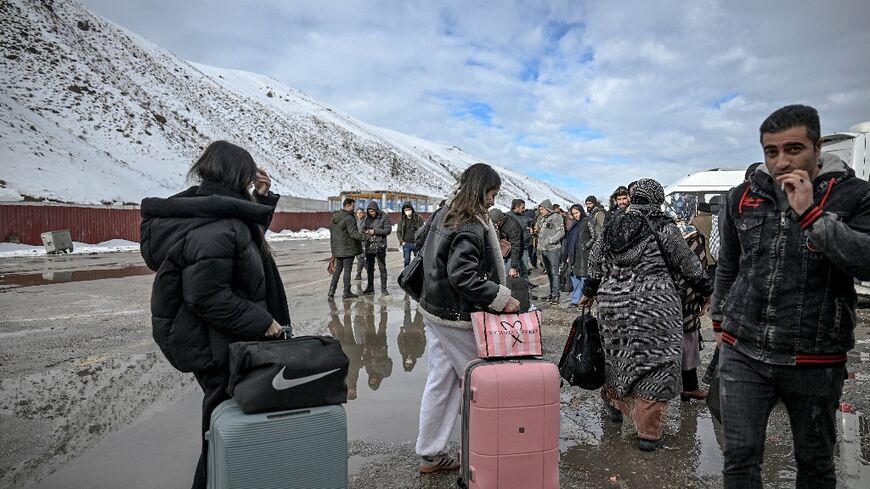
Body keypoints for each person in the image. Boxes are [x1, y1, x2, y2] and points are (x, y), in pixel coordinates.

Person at [711, 104, 870, 488]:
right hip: (743, 351)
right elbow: (729, 265)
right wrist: (719, 319)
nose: (782, 161)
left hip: (814, 357)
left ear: (816, 147)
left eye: (794, 148)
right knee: (739, 460)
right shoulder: (741, 198)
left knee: (814, 464)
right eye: (772, 151)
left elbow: (865, 263)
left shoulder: (852, 196)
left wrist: (812, 215)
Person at [140, 141, 289, 489]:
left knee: (224, 428)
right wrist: (262, 321)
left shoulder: (211, 212)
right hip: (219, 344)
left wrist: (262, 200)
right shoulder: (217, 224)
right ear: (237, 175)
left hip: (217, 340)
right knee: (223, 435)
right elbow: (205, 294)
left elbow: (239, 250)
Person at [580, 179, 712, 452]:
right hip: (656, 308)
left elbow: (594, 263)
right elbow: (686, 262)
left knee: (618, 358)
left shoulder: (612, 226)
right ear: (658, 200)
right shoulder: (664, 226)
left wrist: (590, 291)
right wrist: (705, 289)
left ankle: (616, 407)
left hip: (612, 306)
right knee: (657, 364)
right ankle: (648, 434)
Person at [414, 163, 520, 474]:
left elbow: (422, 240)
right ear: (480, 189)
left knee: (442, 382)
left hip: (434, 310)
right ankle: (484, 450)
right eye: (492, 193)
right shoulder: (471, 222)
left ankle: (432, 453)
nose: (493, 200)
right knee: (480, 383)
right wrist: (501, 298)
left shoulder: (446, 212)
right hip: (456, 317)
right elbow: (462, 274)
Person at [328, 198, 369, 299]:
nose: (354, 208)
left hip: (337, 249)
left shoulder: (335, 217)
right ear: (348, 206)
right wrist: (366, 237)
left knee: (337, 270)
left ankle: (331, 291)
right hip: (348, 249)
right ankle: (346, 292)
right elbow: (354, 234)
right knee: (347, 270)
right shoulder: (349, 218)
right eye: (353, 206)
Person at [560, 204, 593, 306]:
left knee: (583, 278)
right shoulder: (575, 224)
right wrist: (566, 255)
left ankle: (584, 300)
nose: (575, 215)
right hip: (573, 255)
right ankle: (575, 300)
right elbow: (570, 240)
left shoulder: (588, 221)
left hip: (584, 255)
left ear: (581, 211)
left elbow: (595, 236)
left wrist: (585, 246)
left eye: (577, 213)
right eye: (573, 214)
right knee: (575, 278)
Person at [537, 199, 565, 304]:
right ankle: (551, 292)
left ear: (548, 208)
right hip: (543, 250)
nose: (540, 211)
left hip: (553, 250)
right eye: (540, 210)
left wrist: (551, 241)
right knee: (549, 273)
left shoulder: (557, 217)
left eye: (542, 209)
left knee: (554, 273)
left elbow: (561, 232)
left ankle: (556, 295)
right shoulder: (543, 219)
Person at [362, 201, 392, 295]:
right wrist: (365, 231)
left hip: (380, 246)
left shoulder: (385, 217)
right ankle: (370, 287)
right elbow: (364, 228)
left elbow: (388, 230)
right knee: (370, 268)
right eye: (369, 211)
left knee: (382, 267)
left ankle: (384, 288)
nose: (371, 213)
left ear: (376, 210)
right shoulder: (367, 218)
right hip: (369, 246)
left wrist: (375, 231)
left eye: (373, 211)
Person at [489, 207, 525, 280]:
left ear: (501, 220)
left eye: (496, 223)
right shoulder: (495, 222)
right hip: (503, 252)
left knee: (509, 274)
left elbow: (516, 246)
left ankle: (521, 288)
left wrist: (513, 267)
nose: (495, 225)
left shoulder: (513, 227)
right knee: (522, 270)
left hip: (513, 253)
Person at [397, 202, 424, 267]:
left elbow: (423, 230)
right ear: (403, 211)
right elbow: (399, 231)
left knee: (419, 261)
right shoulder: (402, 219)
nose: (407, 211)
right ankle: (406, 276)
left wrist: (420, 241)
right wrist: (401, 241)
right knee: (406, 261)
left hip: (416, 243)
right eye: (406, 210)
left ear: (412, 209)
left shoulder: (418, 218)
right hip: (406, 243)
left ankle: (419, 275)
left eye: (409, 209)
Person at [354, 207, 367, 281]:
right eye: (357, 213)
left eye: (360, 213)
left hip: (363, 243)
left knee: (360, 259)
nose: (359, 214)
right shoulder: (354, 221)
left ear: (363, 213)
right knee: (360, 259)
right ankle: (368, 268)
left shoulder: (366, 222)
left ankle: (358, 274)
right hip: (355, 242)